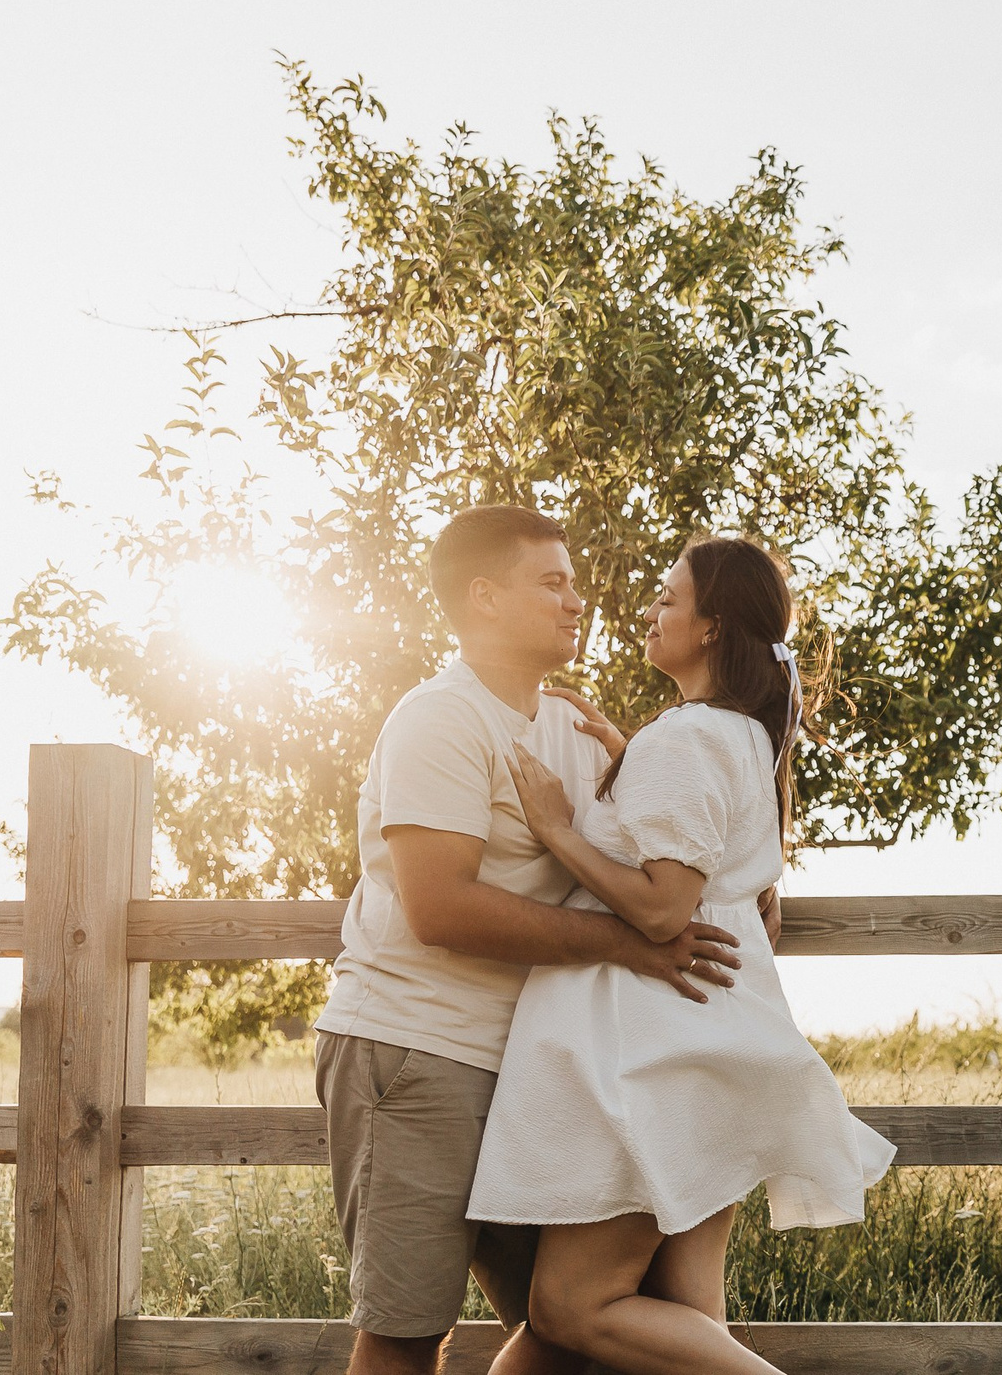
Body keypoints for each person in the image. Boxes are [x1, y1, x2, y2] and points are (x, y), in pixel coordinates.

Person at [312, 505, 750, 1375]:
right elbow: (442, 908)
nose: (576, 600)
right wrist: (622, 944)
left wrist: (746, 891)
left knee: (578, 1320)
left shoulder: (573, 730)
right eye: (552, 582)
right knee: (405, 1333)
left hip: (532, 1069)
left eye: (573, 582)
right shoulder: (439, 719)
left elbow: (665, 844)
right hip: (416, 1052)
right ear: (483, 597)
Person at [469, 534, 895, 1375]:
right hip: (708, 1043)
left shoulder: (690, 737)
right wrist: (633, 758)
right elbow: (697, 857)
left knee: (566, 1305)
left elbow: (664, 905)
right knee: (684, 1314)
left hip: (654, 1055)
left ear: (712, 626)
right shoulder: (736, 735)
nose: (650, 611)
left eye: (669, 598)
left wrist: (557, 826)